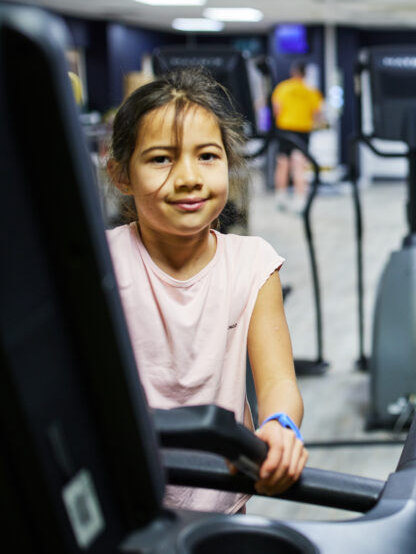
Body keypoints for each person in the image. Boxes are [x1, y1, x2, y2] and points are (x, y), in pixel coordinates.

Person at [105, 68, 308, 514]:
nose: (189, 177)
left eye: (208, 156)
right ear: (121, 175)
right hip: (128, 501)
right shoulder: (102, 262)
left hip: (224, 498)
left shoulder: (253, 264)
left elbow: (277, 382)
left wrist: (279, 424)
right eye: (161, 159)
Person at [271, 61, 323, 210]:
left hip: (285, 129)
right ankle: (300, 199)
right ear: (305, 73)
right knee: (299, 164)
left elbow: (276, 110)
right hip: (303, 131)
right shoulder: (312, 91)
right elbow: (318, 114)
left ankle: (280, 197)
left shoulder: (283, 88)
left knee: (282, 163)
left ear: (293, 72)